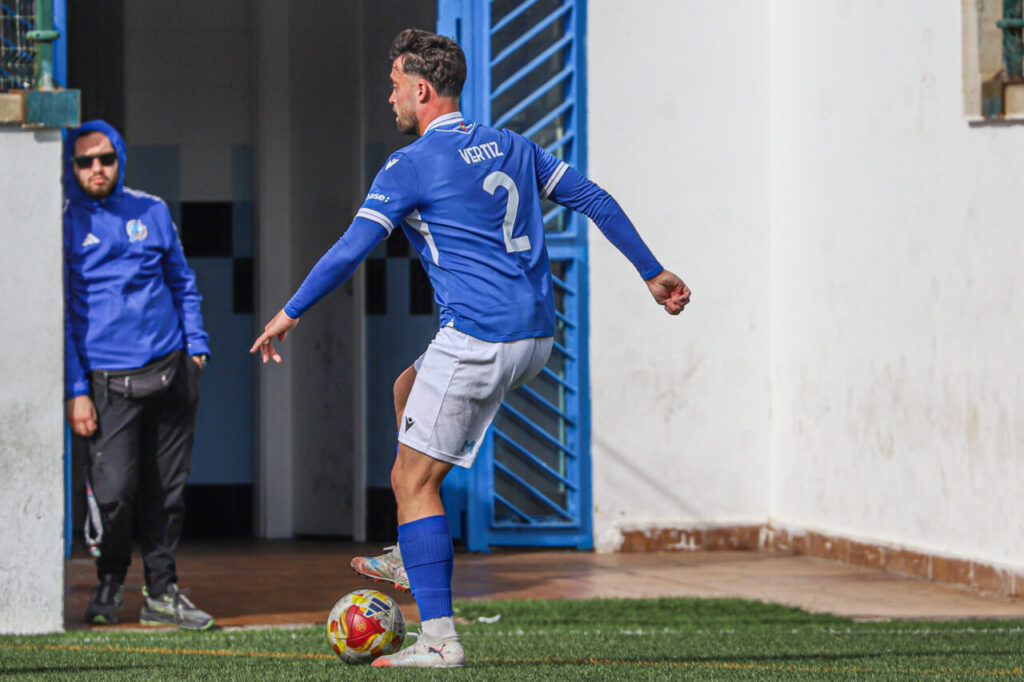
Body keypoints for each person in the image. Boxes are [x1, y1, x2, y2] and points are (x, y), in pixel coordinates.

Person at [251, 29, 690, 667]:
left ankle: (438, 641)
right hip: (536, 336)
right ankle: (412, 546)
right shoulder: (512, 145)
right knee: (406, 387)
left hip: (479, 338)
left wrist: (289, 313)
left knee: (412, 479)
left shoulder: (409, 166)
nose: (390, 99)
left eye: (395, 87)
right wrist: (652, 271)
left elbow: (350, 250)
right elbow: (592, 198)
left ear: (421, 89)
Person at [64, 120, 215, 630]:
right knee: (114, 494)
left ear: (120, 159)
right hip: (107, 386)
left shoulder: (150, 209)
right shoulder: (63, 221)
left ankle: (162, 594)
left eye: (105, 158)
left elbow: (182, 283)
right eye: (85, 161)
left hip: (172, 373)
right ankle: (108, 582)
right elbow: (60, 313)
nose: (96, 169)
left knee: (167, 493)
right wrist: (76, 390)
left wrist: (196, 350)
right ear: (73, 167)